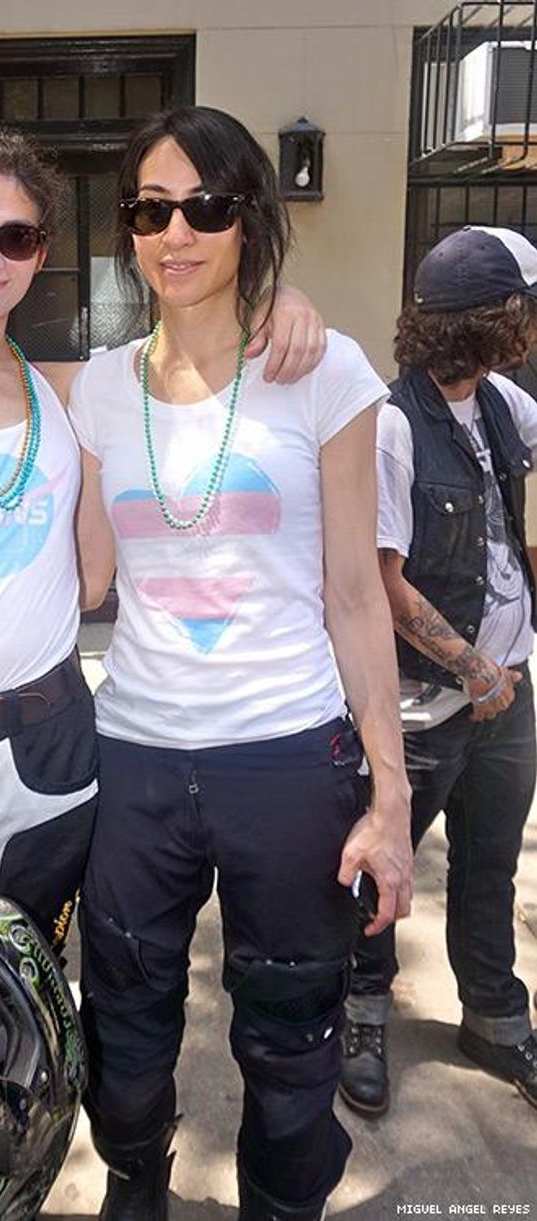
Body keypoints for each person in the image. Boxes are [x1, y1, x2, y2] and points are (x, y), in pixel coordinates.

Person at [0, 124, 326, 1221]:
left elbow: (102, 553)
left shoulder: (68, 393)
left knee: (12, 1032)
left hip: (41, 757)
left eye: (18, 237)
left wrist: (279, 299)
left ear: (44, 251)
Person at [70, 106, 414, 1221]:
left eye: (206, 208)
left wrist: (390, 793)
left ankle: (281, 1200)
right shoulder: (99, 387)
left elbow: (355, 594)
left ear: (248, 219)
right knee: (123, 1024)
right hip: (135, 752)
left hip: (287, 754)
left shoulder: (321, 370)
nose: (176, 233)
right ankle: (135, 1178)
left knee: (290, 1031)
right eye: (150, 210)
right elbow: (82, 577)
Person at [338, 225, 537, 1118]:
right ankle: (361, 1012)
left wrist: (504, 669)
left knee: (489, 863)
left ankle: (494, 1017)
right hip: (426, 700)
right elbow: (383, 580)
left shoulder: (501, 404)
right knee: (380, 865)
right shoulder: (392, 426)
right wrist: (472, 666)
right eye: (527, 309)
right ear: (492, 319)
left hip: (509, 691)